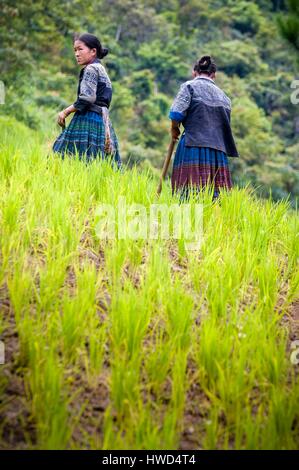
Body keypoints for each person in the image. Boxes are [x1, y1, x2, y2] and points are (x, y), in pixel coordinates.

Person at [169, 55, 239, 202]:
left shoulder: (189, 86)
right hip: (218, 151)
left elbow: (176, 114)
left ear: (194, 72)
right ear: (214, 75)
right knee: (215, 197)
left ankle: (189, 222)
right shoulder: (225, 98)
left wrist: (174, 129)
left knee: (188, 193)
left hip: (193, 145)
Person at [52, 33, 121, 167]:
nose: (77, 54)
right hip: (101, 120)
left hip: (88, 119)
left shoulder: (90, 69)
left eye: (80, 49)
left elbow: (87, 98)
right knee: (94, 162)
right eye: (75, 50)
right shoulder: (100, 68)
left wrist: (66, 112)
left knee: (63, 156)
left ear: (93, 51)